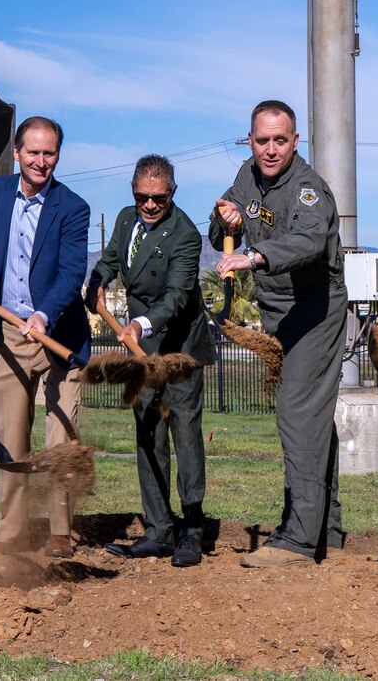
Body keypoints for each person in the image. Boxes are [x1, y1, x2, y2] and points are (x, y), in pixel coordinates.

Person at [209, 100, 348, 568]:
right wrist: (223, 220)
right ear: (249, 140)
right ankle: (325, 525)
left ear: (295, 141)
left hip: (315, 311)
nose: (271, 150)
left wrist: (254, 257)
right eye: (262, 140)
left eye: (280, 141)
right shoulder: (247, 178)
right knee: (308, 419)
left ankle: (299, 539)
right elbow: (221, 229)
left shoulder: (310, 190)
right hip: (276, 313)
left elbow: (309, 241)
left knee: (297, 412)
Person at [0, 116, 90, 559]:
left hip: (58, 336)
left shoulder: (73, 207)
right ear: (17, 153)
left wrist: (45, 314)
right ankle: (10, 533)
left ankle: (60, 533)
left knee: (61, 440)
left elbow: (72, 272)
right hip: (10, 333)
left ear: (57, 156)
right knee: (11, 439)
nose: (41, 161)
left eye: (49, 153)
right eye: (33, 152)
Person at [87, 154, 216, 568]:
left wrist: (140, 324)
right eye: (142, 196)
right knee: (148, 434)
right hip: (141, 350)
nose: (149, 205)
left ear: (172, 194)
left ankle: (191, 533)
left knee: (184, 434)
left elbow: (177, 296)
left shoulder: (185, 235)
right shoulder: (126, 219)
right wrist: (96, 281)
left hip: (178, 349)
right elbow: (110, 260)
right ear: (133, 192)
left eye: (158, 198)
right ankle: (158, 530)